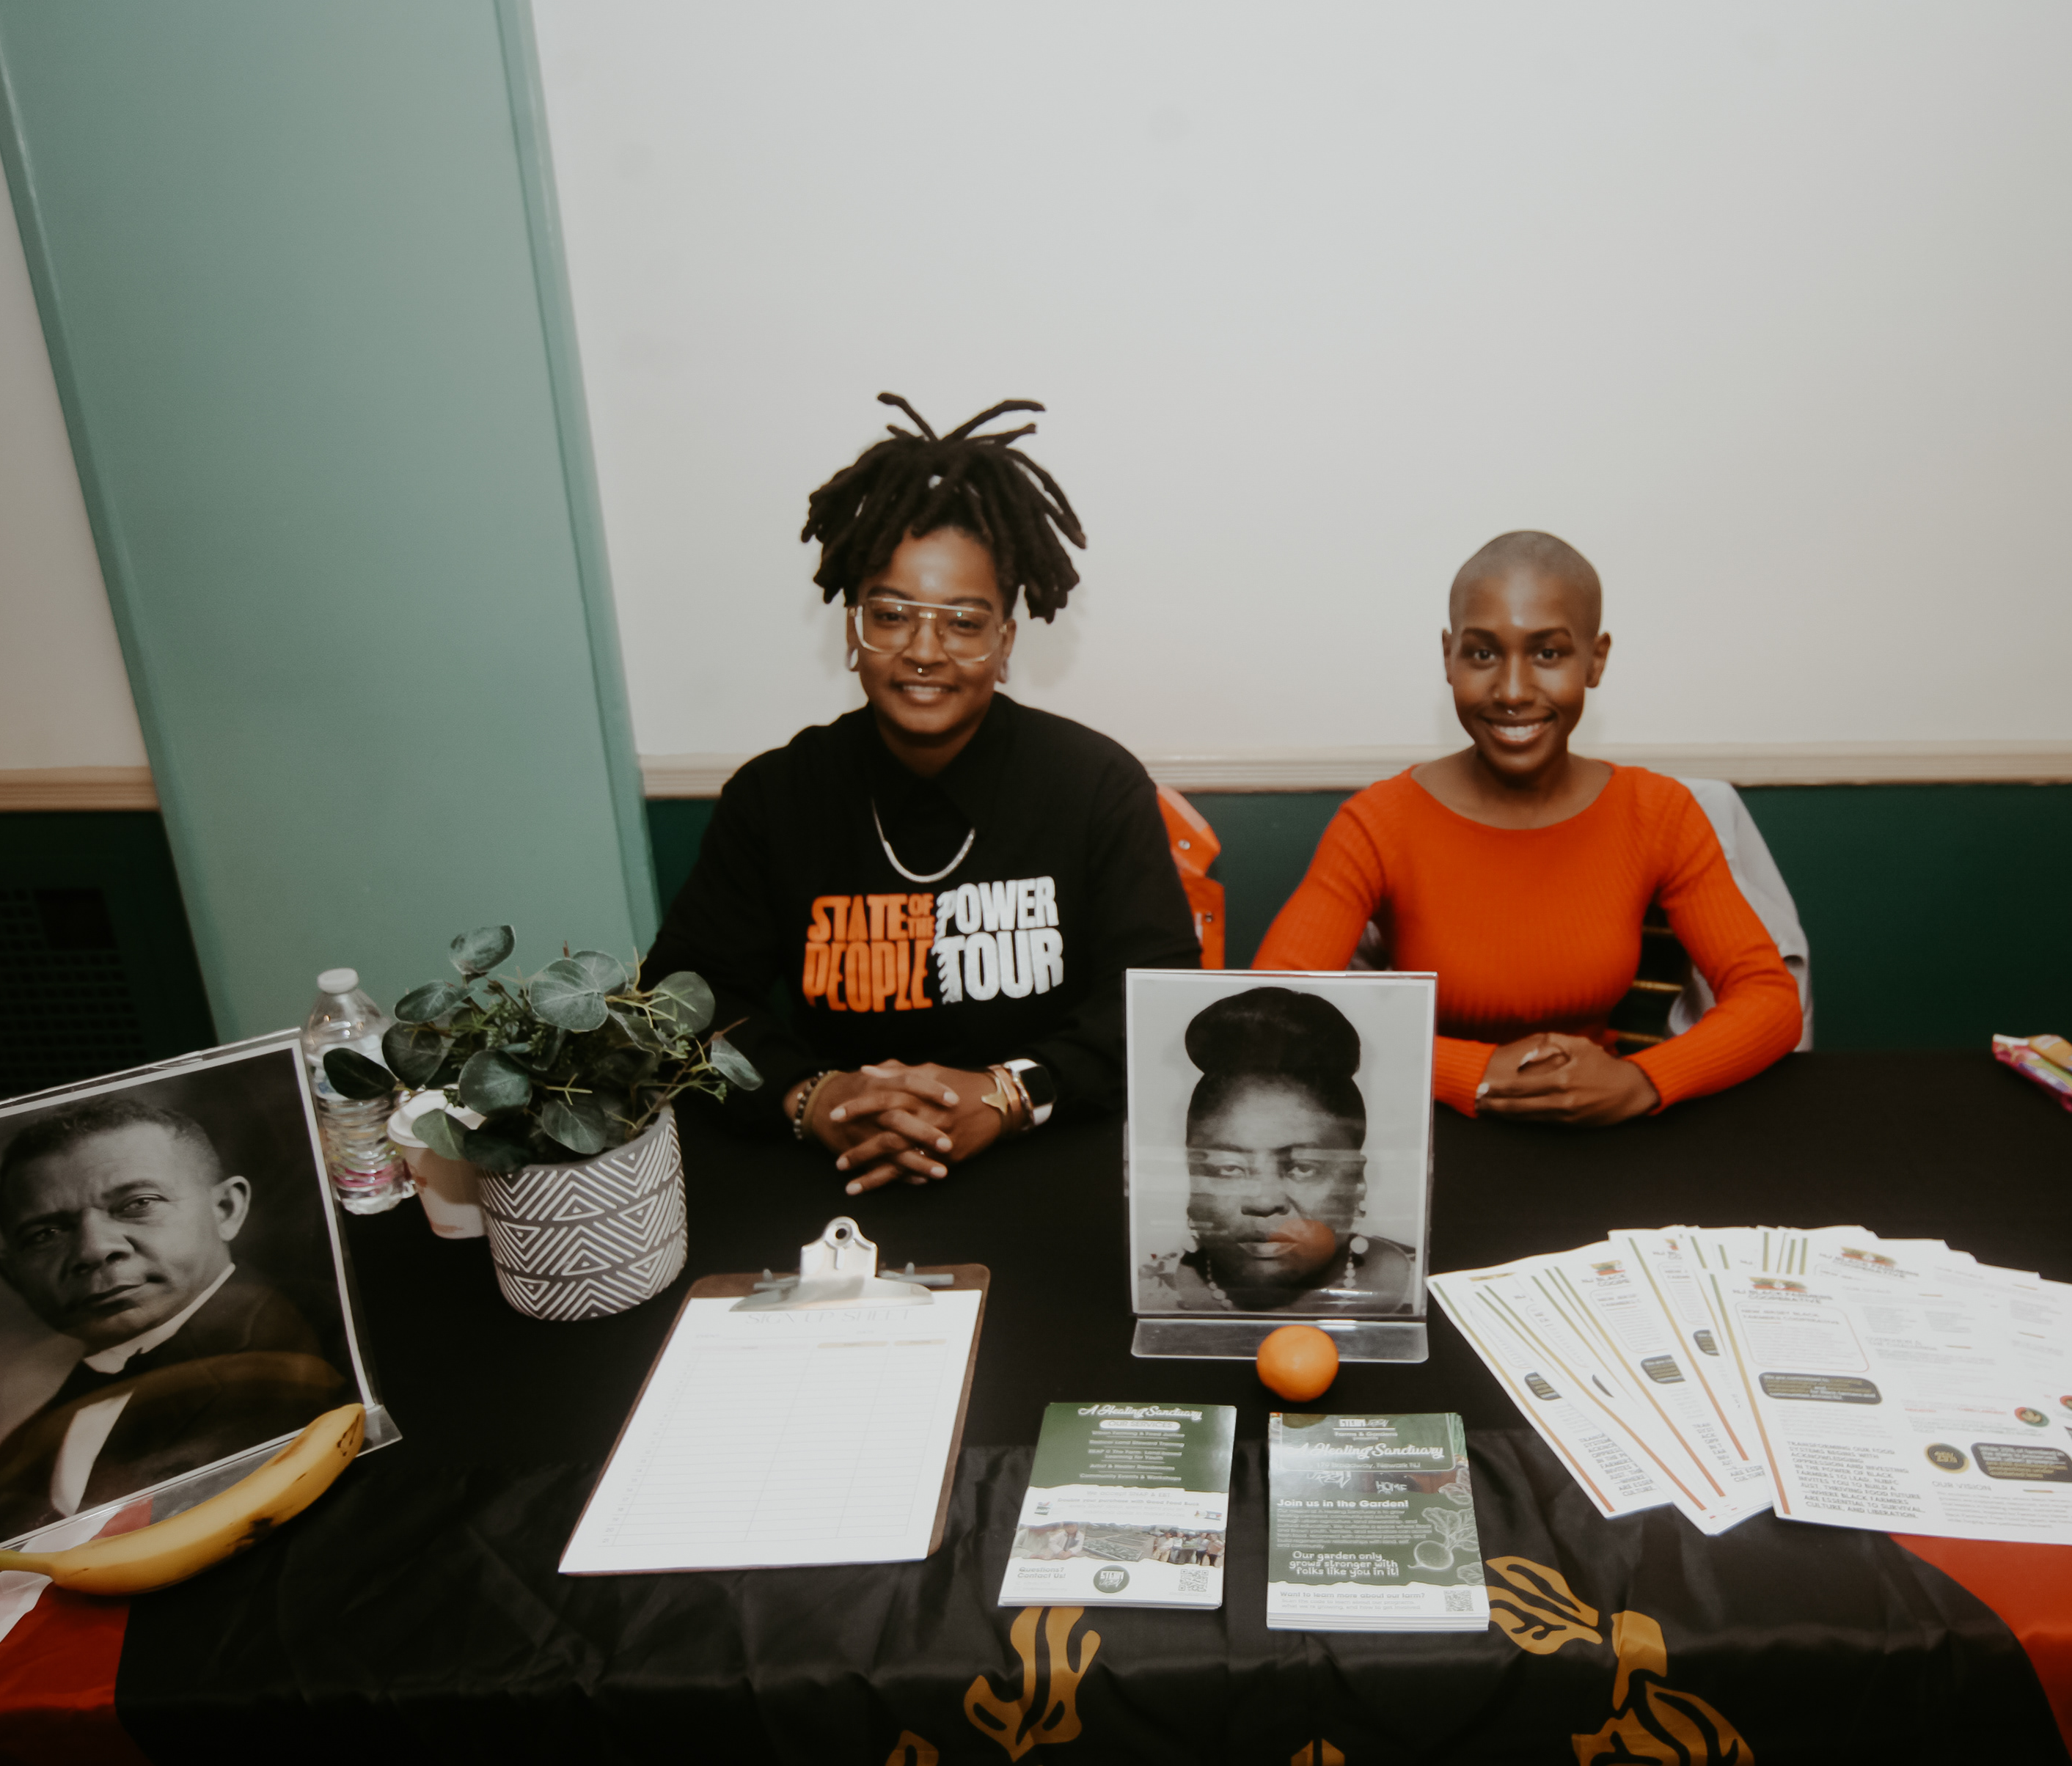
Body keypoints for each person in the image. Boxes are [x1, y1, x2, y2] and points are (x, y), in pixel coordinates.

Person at [645, 396, 1201, 1192]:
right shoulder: (774, 797)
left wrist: (1008, 1094)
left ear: (1005, 644)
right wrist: (813, 1097)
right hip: (833, 1169)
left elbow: (1155, 998)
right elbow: (684, 1000)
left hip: (1050, 1162)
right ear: (852, 631)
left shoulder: (1095, 786)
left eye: (963, 623)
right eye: (892, 614)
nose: (925, 649)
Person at [1252, 532, 1802, 1123]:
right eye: (1482, 655)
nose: (1512, 691)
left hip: (1605, 1130)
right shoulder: (1378, 822)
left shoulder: (1658, 811)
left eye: (1548, 654)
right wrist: (1471, 1072)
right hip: (1433, 1126)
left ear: (1596, 660)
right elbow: (1267, 1014)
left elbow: (1770, 1000)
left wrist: (1643, 1080)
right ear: (1448, 657)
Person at [0, 1099, 354, 1538]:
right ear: (13, 1275)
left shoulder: (335, 1338)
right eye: (45, 1234)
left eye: (138, 1203)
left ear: (226, 1209)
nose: (94, 1249)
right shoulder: (16, 1456)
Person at [1144, 986, 1415, 1313]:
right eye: (1228, 1168)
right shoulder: (1148, 1293)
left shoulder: (1429, 1289)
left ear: (1358, 1182)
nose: (1263, 1201)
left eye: (1302, 1168)